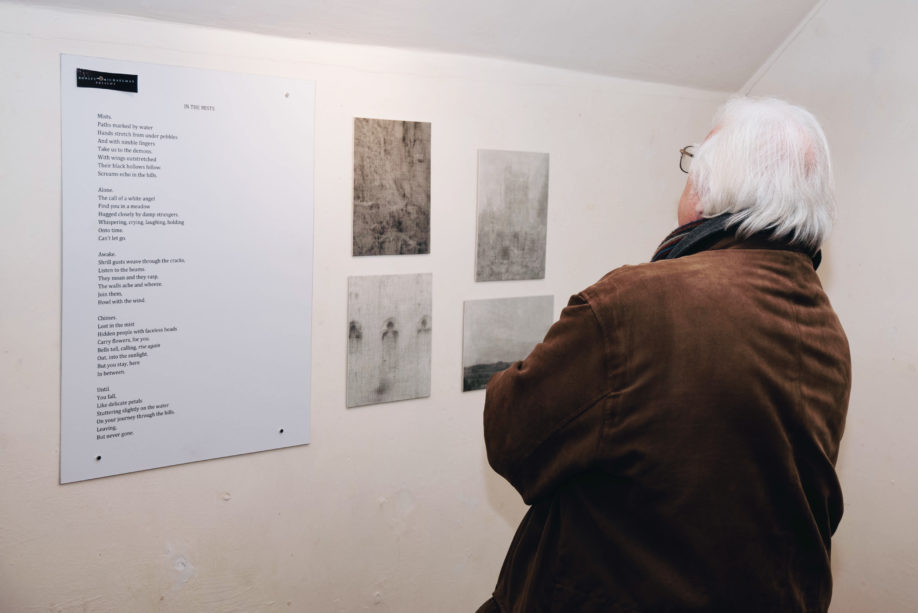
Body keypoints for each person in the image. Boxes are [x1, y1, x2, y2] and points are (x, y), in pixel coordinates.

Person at [477, 97, 851, 613]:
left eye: (691, 166)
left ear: (706, 190)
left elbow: (510, 437)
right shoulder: (824, 325)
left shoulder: (635, 303)